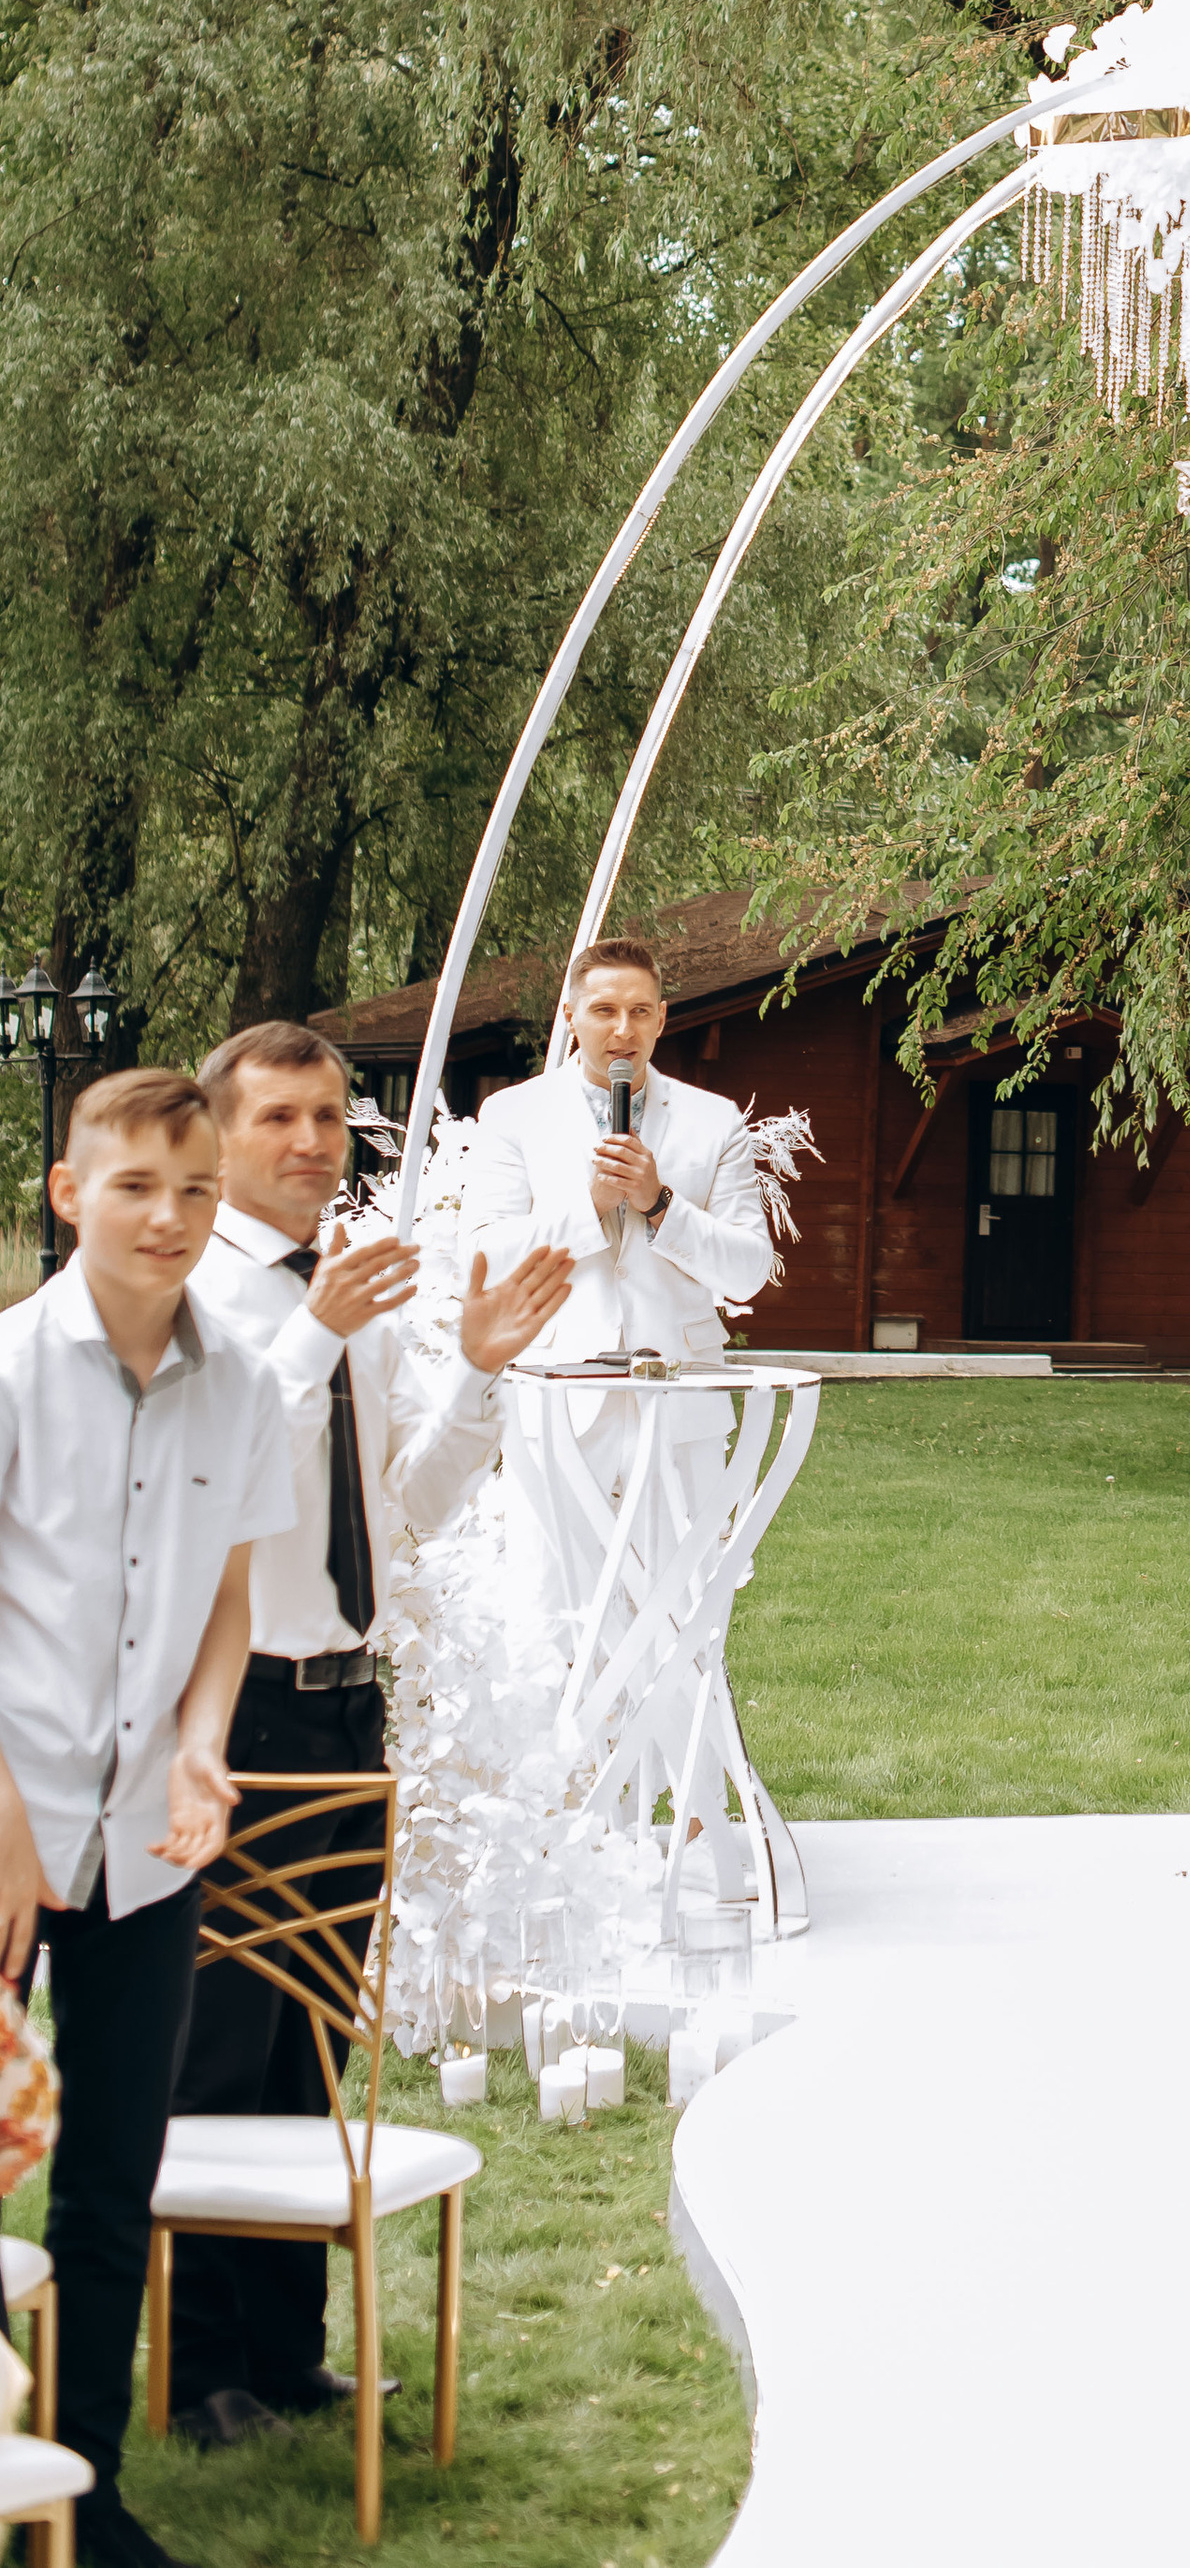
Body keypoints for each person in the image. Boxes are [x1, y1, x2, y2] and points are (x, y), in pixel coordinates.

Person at [162, 1021, 573, 2452]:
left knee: (310, 2046)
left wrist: (475, 1369)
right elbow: (207, 1485)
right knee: (215, 2048)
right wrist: (319, 1329)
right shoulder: (193, 1304)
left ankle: (288, 2354)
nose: (314, 1140)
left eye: (331, 1113)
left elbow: (406, 1507)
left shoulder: (361, 1296)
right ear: (214, 1137)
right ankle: (195, 2366)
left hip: (351, 1705)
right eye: (279, 1115)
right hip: (236, 1710)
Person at [0, 1068, 296, 2568]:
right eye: (136, 1187)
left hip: (145, 1843)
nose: (170, 1216)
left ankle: (81, 2491)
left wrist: (201, 1747)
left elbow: (228, 1607)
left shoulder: (247, 1381)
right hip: (1, 1825)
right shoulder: (2, 1370)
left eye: (193, 1189)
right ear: (71, 1194)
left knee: (112, 2177)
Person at [457, 938, 774, 1629]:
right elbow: (483, 1258)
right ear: (569, 1015)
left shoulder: (713, 1120)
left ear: (663, 1019)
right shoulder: (514, 1115)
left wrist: (662, 1205)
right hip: (558, 1394)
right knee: (553, 1614)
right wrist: (590, 1206)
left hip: (680, 1400)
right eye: (603, 1009)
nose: (622, 1029)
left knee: (681, 1612)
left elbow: (750, 1267)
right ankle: (558, 1740)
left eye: (638, 1011)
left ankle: (675, 1739)